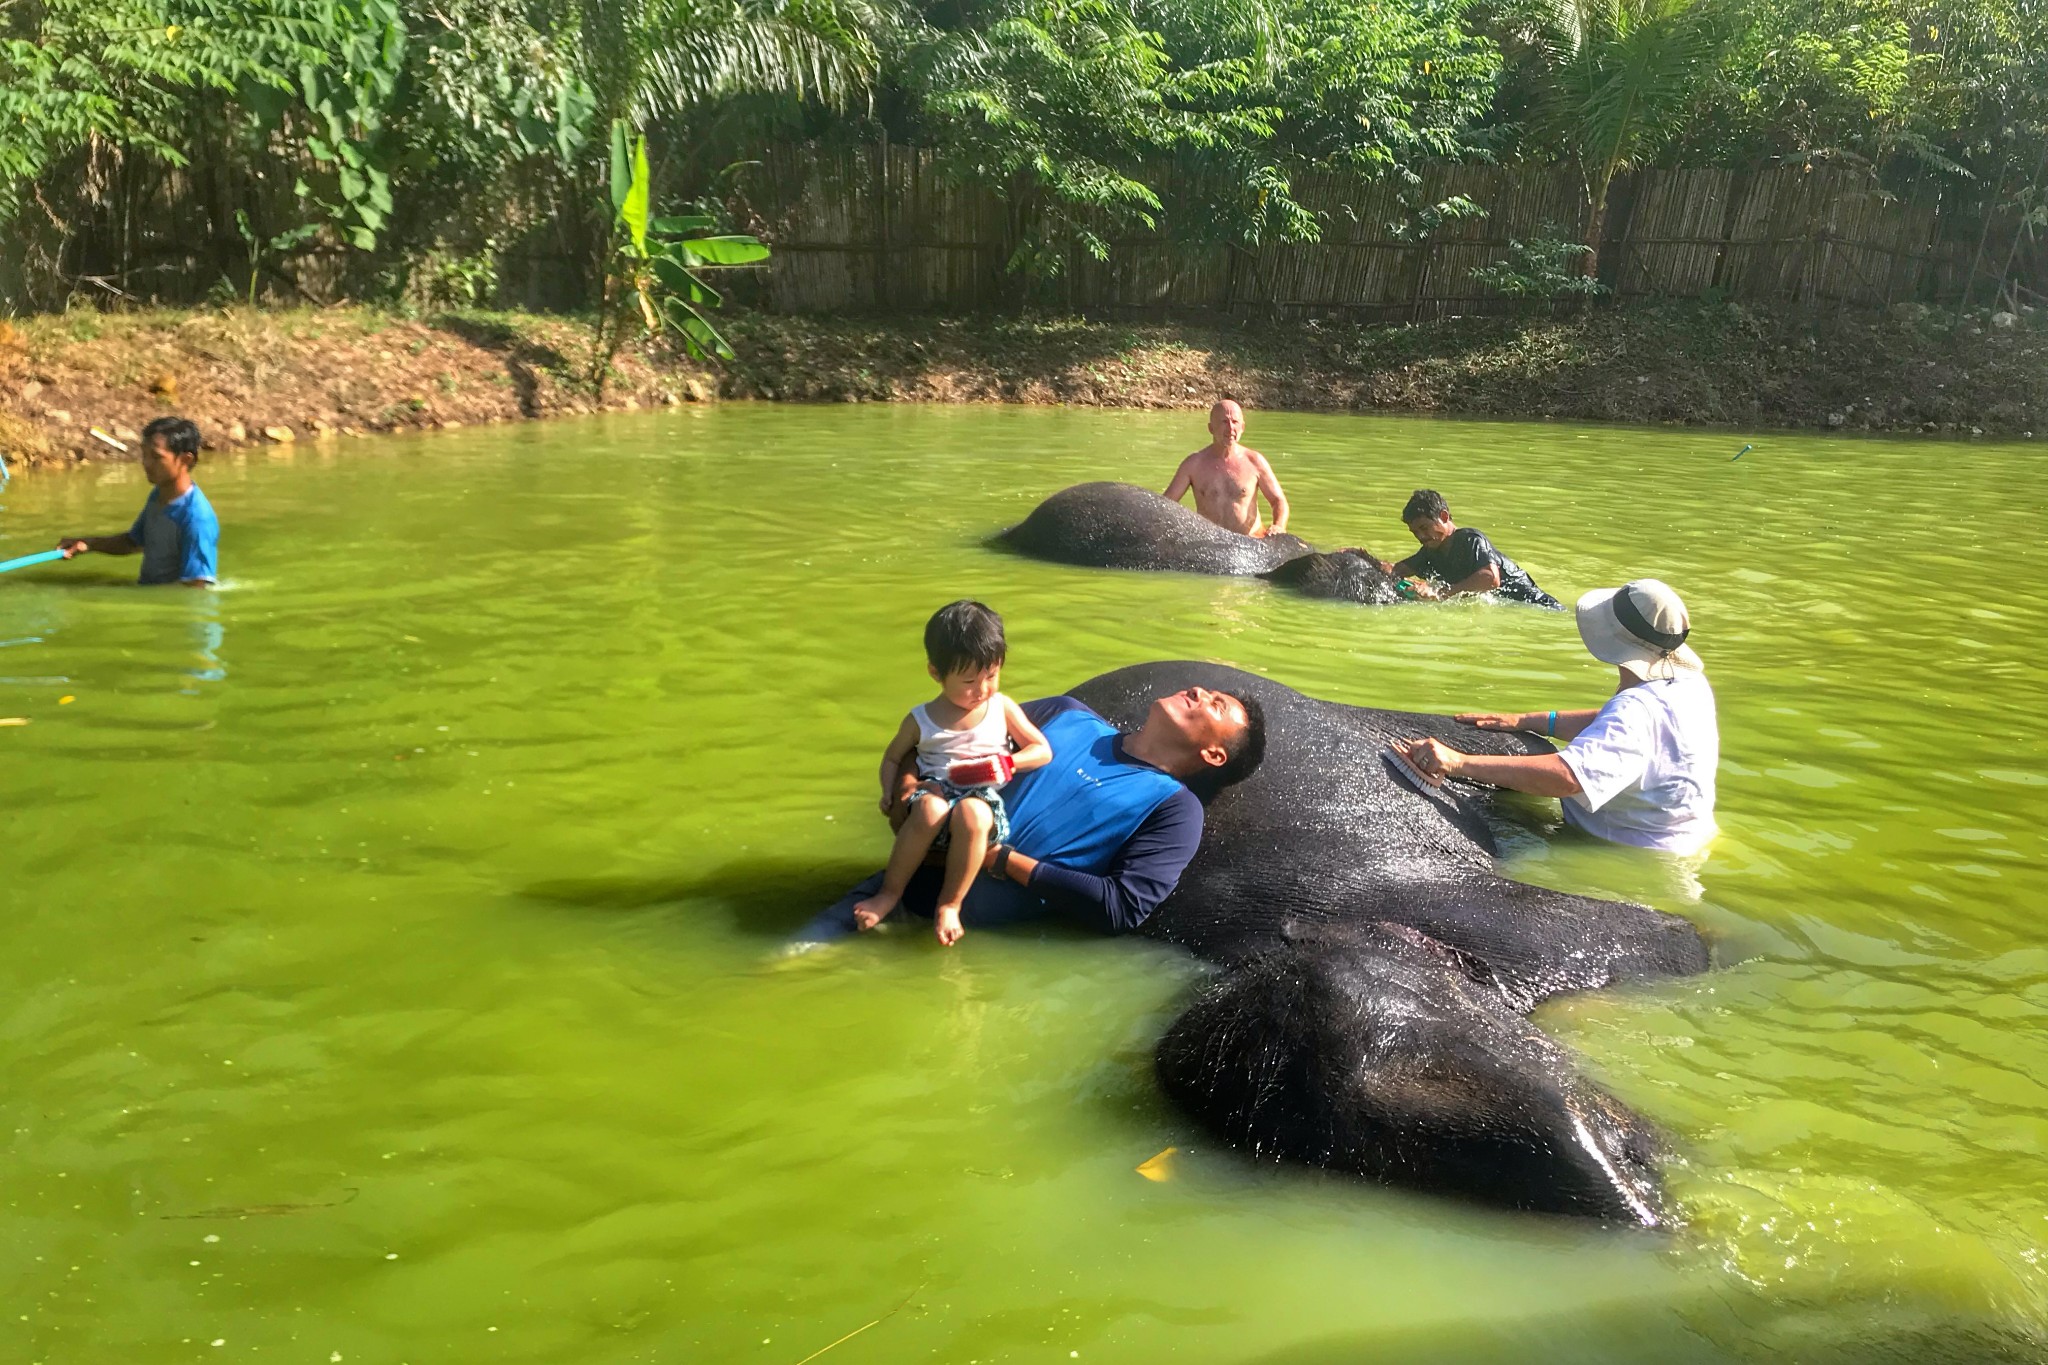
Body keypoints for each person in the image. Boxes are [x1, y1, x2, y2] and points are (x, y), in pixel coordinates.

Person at [797, 682, 1266, 945]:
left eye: (1216, 704)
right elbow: (935, 745)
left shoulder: (1175, 809)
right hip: (888, 893)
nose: (1200, 692)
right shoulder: (1063, 715)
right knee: (780, 965)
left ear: (1214, 755)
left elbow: (1121, 908)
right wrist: (904, 791)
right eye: (1205, 691)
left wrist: (998, 859)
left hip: (964, 943)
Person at [1391, 579, 1718, 855]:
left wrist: (1457, 762)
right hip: (1691, 838)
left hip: (1627, 853)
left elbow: (1567, 777)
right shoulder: (1689, 684)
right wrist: (1532, 720)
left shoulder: (1635, 710)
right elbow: (1625, 725)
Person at [852, 601, 1053, 945]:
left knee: (973, 813)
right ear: (936, 673)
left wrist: (1009, 763)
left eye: (991, 676)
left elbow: (1042, 750)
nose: (982, 689)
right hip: (932, 793)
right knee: (932, 808)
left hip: (981, 798)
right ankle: (889, 893)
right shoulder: (921, 718)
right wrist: (888, 792)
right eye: (969, 681)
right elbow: (891, 758)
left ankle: (949, 904)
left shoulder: (1001, 707)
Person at [57, 416, 219, 586]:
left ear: (186, 460)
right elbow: (133, 542)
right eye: (144, 455)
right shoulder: (159, 495)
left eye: (156, 457)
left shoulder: (197, 518)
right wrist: (87, 544)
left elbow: (197, 588)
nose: (146, 464)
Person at [1367, 489, 1559, 608]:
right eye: (1414, 532)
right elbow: (1395, 570)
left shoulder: (1469, 539)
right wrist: (1359, 556)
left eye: (1424, 528)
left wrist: (1441, 593)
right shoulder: (1431, 551)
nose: (1420, 536)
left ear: (1444, 516)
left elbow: (1490, 579)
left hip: (1538, 605)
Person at [1163, 400, 1290, 538]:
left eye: (1235, 422)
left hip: (1251, 541)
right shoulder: (1193, 464)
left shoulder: (1255, 461)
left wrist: (1278, 526)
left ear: (1242, 427)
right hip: (1211, 542)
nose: (1230, 429)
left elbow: (1278, 501)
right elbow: (1165, 504)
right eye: (1224, 422)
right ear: (1211, 428)